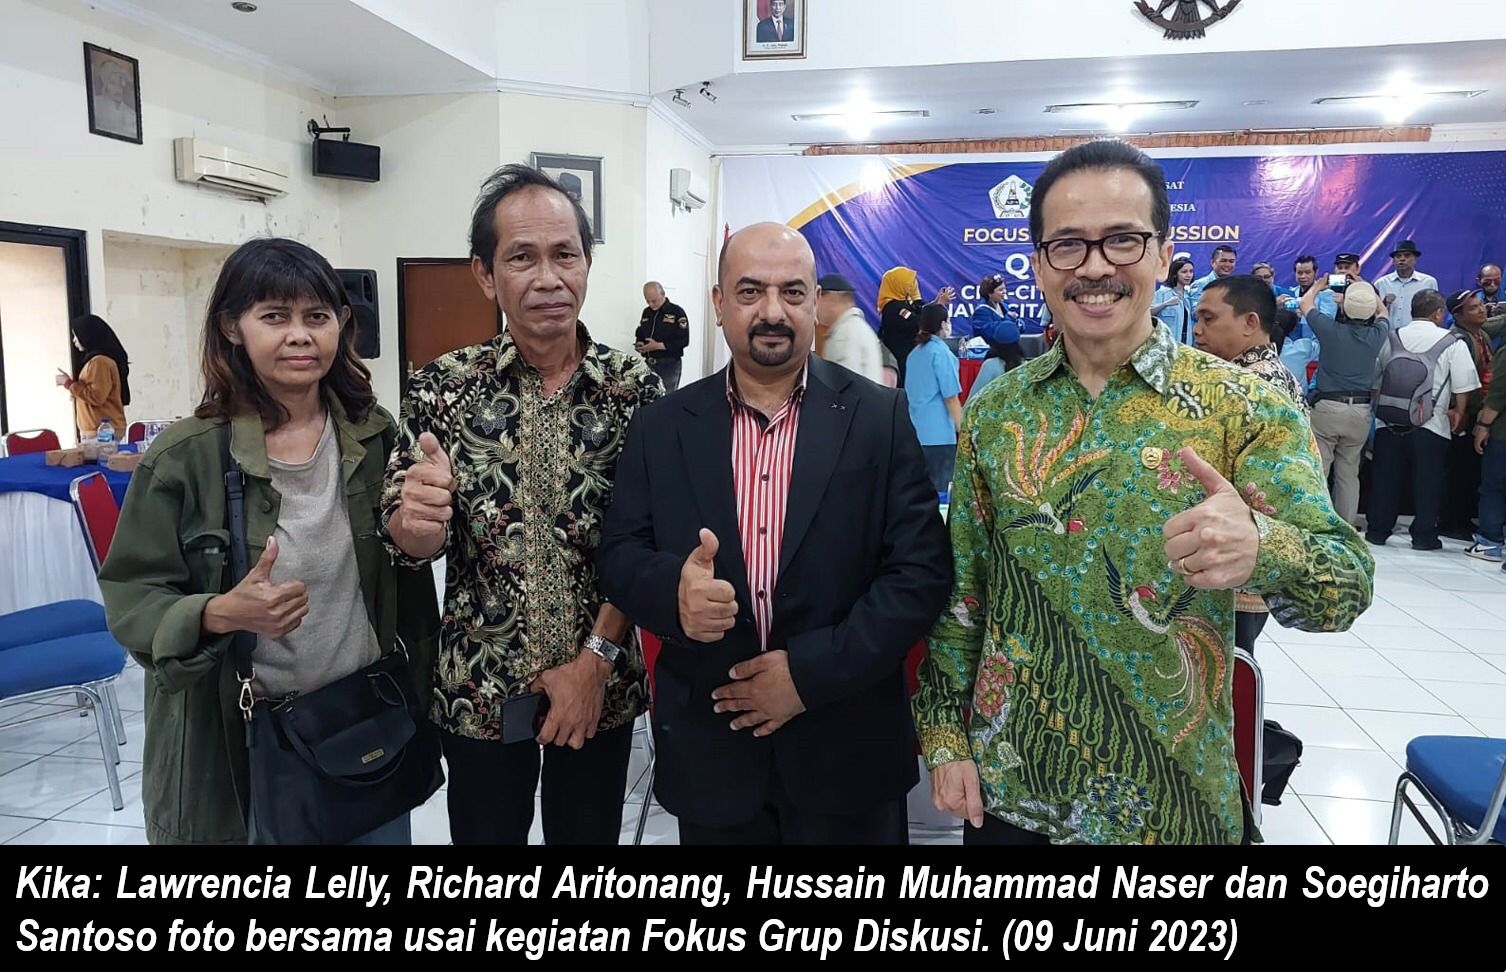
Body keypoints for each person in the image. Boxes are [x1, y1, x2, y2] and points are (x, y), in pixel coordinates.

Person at [914, 140, 1372, 846]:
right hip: (1016, 795)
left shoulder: (1243, 407)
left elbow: (1344, 590)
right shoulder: (998, 411)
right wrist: (946, 738)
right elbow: (965, 591)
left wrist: (1265, 548)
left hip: (1173, 803)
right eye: (1068, 244)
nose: (1095, 266)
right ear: (1039, 263)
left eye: (1123, 240)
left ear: (1163, 255)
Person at [597, 222, 951, 845]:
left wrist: (808, 676)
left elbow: (920, 573)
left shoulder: (879, 417)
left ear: (815, 302)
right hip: (714, 756)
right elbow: (621, 555)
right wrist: (673, 594)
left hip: (847, 751)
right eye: (750, 291)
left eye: (792, 292)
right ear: (718, 303)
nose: (772, 312)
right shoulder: (661, 426)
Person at [96, 238, 441, 845]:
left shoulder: (374, 434)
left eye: (317, 316)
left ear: (342, 324)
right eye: (275, 317)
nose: (300, 336)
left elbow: (404, 566)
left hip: (366, 721)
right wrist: (220, 611)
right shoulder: (186, 457)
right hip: (249, 741)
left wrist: (423, 533)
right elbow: (132, 600)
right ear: (233, 326)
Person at [382, 164, 663, 845]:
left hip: (599, 685)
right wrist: (417, 520)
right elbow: (407, 542)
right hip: (479, 689)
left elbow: (651, 542)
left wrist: (594, 662)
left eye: (565, 254)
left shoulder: (634, 390)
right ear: (485, 274)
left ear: (587, 263)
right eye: (521, 258)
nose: (548, 278)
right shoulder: (443, 388)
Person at [1193, 275, 1311, 655]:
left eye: (1209, 319)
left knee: (1227, 661)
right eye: (1196, 319)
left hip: (1238, 550)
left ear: (1250, 322)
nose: (1197, 331)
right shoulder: (1273, 375)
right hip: (1244, 549)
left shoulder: (1249, 386)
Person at [1365, 289, 1480, 550]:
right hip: (1431, 423)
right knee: (1428, 481)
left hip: (1389, 421)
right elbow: (1463, 385)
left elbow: (1375, 380)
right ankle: (1424, 536)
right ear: (1438, 313)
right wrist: (1459, 414)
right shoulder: (1451, 342)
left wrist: (1380, 410)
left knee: (1385, 480)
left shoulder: (1392, 337)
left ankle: (1378, 531)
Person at [1300, 276, 1388, 527]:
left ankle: (1313, 523)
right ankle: (1346, 528)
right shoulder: (1377, 334)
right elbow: (1384, 312)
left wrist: (1320, 285)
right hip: (1360, 411)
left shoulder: (1330, 330)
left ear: (1344, 307)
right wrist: (1366, 288)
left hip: (1327, 408)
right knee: (1348, 474)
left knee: (1319, 469)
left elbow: (1306, 304)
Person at [1438, 290, 1506, 542]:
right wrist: (1462, 412)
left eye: (1481, 305)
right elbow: (1460, 382)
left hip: (1478, 411)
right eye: (1474, 308)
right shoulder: (1459, 339)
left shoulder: (1481, 334)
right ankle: (1452, 521)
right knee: (1459, 471)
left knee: (1471, 471)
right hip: (1464, 414)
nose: (1481, 310)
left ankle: (1464, 518)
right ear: (1458, 315)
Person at [906, 303, 964, 493]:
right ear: (942, 324)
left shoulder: (914, 354)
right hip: (939, 436)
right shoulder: (941, 353)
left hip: (915, 432)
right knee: (941, 494)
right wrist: (964, 431)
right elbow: (951, 398)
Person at [55, 314, 130, 440]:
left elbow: (96, 396)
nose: (74, 340)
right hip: (98, 431)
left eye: (76, 336)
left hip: (102, 433)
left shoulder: (99, 362)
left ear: (87, 335)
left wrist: (68, 383)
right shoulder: (95, 361)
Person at [878, 266, 954, 385]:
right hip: (901, 359)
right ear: (898, 284)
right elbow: (917, 321)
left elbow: (920, 310)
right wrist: (938, 305)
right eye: (908, 283)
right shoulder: (893, 307)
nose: (912, 286)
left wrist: (935, 302)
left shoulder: (904, 302)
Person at [1467, 334, 1506, 564]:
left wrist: (1483, 425)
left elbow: (1498, 395)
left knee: (1494, 487)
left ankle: (1490, 542)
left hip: (1502, 435)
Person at [814, 272, 883, 383]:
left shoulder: (846, 334)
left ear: (832, 299)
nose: (816, 308)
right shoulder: (857, 328)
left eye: (818, 300)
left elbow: (845, 385)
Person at [635, 281, 690, 392]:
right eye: (648, 301)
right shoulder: (646, 312)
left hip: (669, 365)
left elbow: (684, 340)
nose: (651, 304)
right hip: (649, 364)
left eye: (654, 301)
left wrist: (658, 346)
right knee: (647, 397)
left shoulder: (676, 312)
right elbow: (641, 333)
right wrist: (640, 344)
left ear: (663, 294)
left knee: (666, 398)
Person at [1374, 240, 1438, 326]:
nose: (1402, 259)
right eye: (1398, 256)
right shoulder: (1381, 283)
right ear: (1393, 260)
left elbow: (1435, 311)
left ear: (1415, 259)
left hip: (1417, 332)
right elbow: (1373, 313)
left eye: (1407, 255)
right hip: (1388, 333)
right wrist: (1384, 303)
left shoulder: (1428, 282)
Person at [972, 273, 1024, 370]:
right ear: (989, 293)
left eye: (1004, 289)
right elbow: (994, 332)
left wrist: (1015, 322)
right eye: (1000, 290)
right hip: (993, 355)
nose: (1004, 292)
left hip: (1011, 355)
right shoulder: (981, 311)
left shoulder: (1004, 306)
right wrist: (1011, 320)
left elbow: (1021, 326)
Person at [1151, 257, 1196, 345]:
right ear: (1175, 274)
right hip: (1166, 344)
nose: (1188, 275)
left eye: (1191, 271)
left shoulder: (1189, 295)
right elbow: (1148, 313)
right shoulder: (1163, 293)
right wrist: (1165, 304)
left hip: (1186, 344)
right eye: (1184, 272)